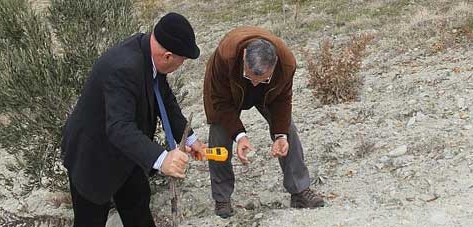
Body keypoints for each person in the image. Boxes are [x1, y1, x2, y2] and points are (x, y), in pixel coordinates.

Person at [61, 12, 207, 227]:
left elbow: (164, 99)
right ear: (167, 56)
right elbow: (119, 127)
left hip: (128, 153)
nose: (181, 65)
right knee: (89, 221)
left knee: (138, 211)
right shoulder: (124, 68)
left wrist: (191, 139)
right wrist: (162, 159)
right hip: (93, 157)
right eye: (182, 60)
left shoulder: (148, 51)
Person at [203, 26, 325, 218]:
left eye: (262, 79)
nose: (254, 84)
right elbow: (220, 103)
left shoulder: (286, 64)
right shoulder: (225, 57)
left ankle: (299, 190)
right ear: (244, 57)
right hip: (227, 93)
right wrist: (240, 136)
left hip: (269, 96)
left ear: (274, 64)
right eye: (250, 77)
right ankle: (222, 198)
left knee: (287, 129)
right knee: (219, 134)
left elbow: (283, 100)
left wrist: (280, 135)